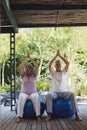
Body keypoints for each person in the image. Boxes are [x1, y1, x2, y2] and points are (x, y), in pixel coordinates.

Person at [45, 49, 82, 121]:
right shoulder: (53, 73)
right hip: (55, 93)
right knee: (49, 95)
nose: (58, 65)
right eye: (57, 64)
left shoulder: (64, 72)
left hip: (64, 92)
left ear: (61, 65)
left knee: (72, 94)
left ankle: (77, 114)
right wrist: (56, 56)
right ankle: (49, 115)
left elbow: (67, 63)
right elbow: (49, 65)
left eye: (59, 64)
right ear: (55, 66)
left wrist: (60, 56)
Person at [16, 51, 42, 123]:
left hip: (33, 93)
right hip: (24, 93)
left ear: (31, 70)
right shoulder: (23, 75)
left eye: (29, 69)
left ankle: (38, 116)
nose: (28, 70)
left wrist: (30, 58)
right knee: (21, 97)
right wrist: (26, 59)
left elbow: (36, 66)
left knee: (36, 96)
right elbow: (20, 66)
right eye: (26, 69)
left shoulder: (34, 75)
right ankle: (19, 117)